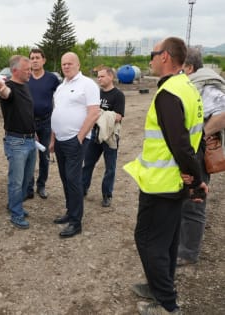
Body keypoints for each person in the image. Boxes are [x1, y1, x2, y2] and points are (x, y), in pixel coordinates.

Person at [123, 37, 208, 315]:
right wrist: (196, 177)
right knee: (168, 240)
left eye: (153, 53)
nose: (150, 59)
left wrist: (195, 180)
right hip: (174, 181)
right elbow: (199, 137)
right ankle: (159, 286)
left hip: (162, 183)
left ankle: (167, 305)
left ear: (166, 57)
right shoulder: (189, 88)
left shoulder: (169, 93)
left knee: (148, 240)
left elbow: (181, 144)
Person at [178, 47, 225, 267]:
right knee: (184, 198)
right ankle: (182, 244)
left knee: (194, 201)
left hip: (198, 152)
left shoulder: (207, 86)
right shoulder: (195, 83)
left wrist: (201, 134)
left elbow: (223, 113)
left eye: (181, 67)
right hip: (190, 150)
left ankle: (188, 252)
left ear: (189, 67)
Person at [50, 52, 100, 238]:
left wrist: (79, 137)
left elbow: (94, 113)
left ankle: (76, 222)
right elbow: (58, 112)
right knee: (65, 178)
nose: (66, 66)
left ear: (78, 65)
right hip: (61, 140)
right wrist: (53, 140)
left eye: (70, 63)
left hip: (75, 140)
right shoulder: (61, 87)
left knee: (73, 179)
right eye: (64, 64)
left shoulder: (88, 85)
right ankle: (70, 212)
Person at [0, 55, 36, 229]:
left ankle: (14, 205)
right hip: (16, 142)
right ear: (15, 71)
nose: (30, 72)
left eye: (30, 69)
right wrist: (0, 87)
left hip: (30, 140)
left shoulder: (26, 86)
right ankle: (16, 214)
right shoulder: (9, 86)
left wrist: (34, 133)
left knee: (26, 179)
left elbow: (27, 112)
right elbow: (5, 93)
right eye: (27, 70)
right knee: (16, 181)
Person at [82, 66, 125, 207]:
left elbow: (118, 116)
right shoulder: (96, 94)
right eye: (98, 76)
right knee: (88, 164)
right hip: (94, 134)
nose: (99, 79)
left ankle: (107, 195)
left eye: (102, 76)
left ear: (111, 77)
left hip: (110, 136)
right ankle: (82, 189)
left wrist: (100, 114)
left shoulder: (118, 95)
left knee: (110, 167)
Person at [26, 48, 60, 199]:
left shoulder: (52, 79)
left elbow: (60, 98)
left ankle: (41, 185)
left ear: (43, 60)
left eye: (37, 57)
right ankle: (28, 187)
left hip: (46, 123)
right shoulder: (26, 78)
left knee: (44, 155)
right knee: (29, 155)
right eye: (32, 58)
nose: (34, 60)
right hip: (28, 123)